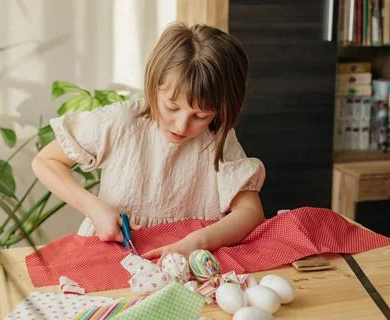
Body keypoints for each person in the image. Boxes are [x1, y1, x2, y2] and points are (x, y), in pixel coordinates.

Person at [32, 23, 266, 264]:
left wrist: (197, 242)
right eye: (171, 107)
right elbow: (46, 161)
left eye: (200, 116)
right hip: (112, 257)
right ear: (154, 86)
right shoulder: (122, 122)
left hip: (187, 262)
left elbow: (250, 213)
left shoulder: (218, 137)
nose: (181, 126)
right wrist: (95, 209)